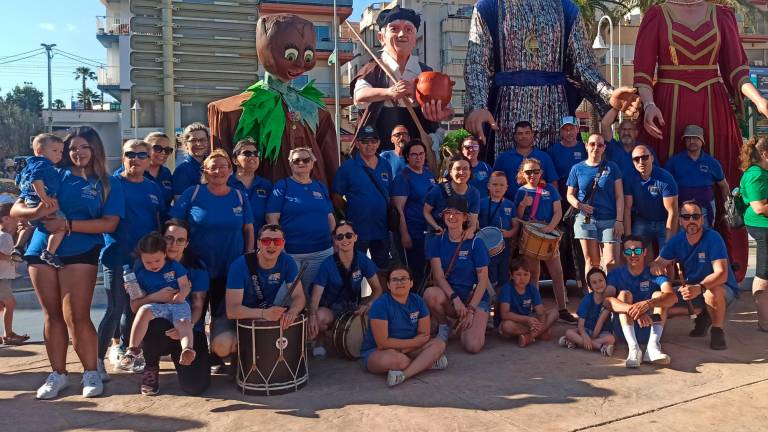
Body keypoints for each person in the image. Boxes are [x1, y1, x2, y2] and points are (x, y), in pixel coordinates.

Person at [634, 2, 765, 284]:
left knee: (723, 182)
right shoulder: (657, 14)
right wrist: (648, 105)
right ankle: (664, 269)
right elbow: (643, 73)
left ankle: (723, 268)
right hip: (668, 107)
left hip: (713, 107)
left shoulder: (722, 14)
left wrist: (760, 100)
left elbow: (737, 71)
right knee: (665, 184)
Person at [12, 126, 124, 399]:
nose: (78, 152)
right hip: (40, 250)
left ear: (95, 149)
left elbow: (109, 223)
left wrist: (69, 224)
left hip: (81, 251)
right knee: (52, 315)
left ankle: (90, 372)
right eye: (72, 148)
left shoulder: (107, 183)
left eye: (84, 146)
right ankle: (58, 374)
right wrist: (35, 211)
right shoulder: (51, 172)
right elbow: (17, 209)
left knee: (76, 315)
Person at [463, 0, 639, 154]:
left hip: (555, 112)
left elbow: (583, 67)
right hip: (505, 117)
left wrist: (608, 93)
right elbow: (477, 63)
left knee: (557, 175)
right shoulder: (489, 7)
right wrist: (478, 105)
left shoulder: (567, 9)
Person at [208, 14, 339, 187]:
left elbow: (330, 159)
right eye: (291, 56)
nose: (300, 64)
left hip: (310, 197)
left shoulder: (315, 111)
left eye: (307, 56)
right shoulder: (232, 110)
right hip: (260, 198)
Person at [98, 140, 166, 377]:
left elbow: (158, 222)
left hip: (143, 262)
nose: (135, 159)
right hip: (116, 257)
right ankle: (97, 361)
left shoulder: (153, 188)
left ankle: (130, 351)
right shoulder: (111, 184)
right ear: (123, 156)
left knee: (136, 308)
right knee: (115, 308)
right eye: (130, 154)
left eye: (141, 155)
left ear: (149, 160)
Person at [351, 6, 452, 154]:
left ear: (415, 38)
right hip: (378, 148)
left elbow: (449, 111)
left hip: (419, 150)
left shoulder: (426, 72)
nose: (402, 34)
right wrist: (390, 92)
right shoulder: (373, 69)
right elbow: (359, 95)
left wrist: (442, 113)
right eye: (394, 29)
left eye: (408, 29)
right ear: (381, 37)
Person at [169, 149, 255, 324]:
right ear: (205, 172)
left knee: (222, 319)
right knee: (194, 316)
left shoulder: (239, 196)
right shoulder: (193, 193)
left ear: (230, 170)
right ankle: (193, 348)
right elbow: (174, 226)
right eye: (213, 167)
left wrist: (248, 258)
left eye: (223, 167)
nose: (218, 171)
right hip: (196, 268)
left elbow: (248, 229)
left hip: (230, 268)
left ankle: (219, 348)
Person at [650, 201, 738, 351]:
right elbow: (656, 264)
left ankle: (717, 331)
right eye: (686, 217)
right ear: (680, 220)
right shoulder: (676, 240)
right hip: (692, 289)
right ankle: (702, 313)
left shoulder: (713, 238)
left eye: (696, 216)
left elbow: (721, 274)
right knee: (661, 302)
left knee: (712, 292)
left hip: (720, 289)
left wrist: (700, 287)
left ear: (702, 220)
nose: (691, 220)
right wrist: (657, 268)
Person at [138, 219, 210, 396]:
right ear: (161, 239)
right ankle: (151, 365)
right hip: (158, 329)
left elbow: (199, 306)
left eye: (180, 240)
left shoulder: (197, 268)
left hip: (188, 328)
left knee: (195, 387)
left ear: (187, 244)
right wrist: (155, 297)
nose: (173, 244)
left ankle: (184, 353)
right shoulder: (146, 265)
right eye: (169, 238)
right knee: (150, 317)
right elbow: (135, 307)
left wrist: (186, 328)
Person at [220, 224, 306, 358]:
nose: (271, 245)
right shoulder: (239, 265)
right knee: (222, 346)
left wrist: (292, 312)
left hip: (264, 313)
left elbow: (299, 296)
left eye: (277, 241)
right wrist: (264, 313)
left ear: (283, 244)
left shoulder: (287, 261)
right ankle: (239, 358)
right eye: (266, 241)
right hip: (237, 317)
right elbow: (232, 311)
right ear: (258, 243)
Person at [422, 197, 491, 354]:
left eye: (457, 213)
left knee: (473, 346)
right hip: (453, 300)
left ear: (465, 217)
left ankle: (475, 321)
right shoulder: (437, 241)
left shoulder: (475, 243)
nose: (452, 216)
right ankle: (444, 325)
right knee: (430, 294)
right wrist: (455, 299)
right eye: (448, 213)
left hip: (474, 299)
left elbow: (483, 281)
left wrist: (471, 309)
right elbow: (438, 277)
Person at [360, 265, 447, 387]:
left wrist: (408, 347)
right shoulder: (380, 305)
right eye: (394, 280)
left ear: (411, 283)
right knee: (398, 361)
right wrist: (413, 344)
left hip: (409, 348)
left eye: (404, 279)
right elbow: (382, 343)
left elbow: (424, 334)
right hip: (379, 351)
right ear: (389, 285)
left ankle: (403, 375)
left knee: (439, 344)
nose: (399, 282)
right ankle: (427, 362)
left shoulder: (418, 301)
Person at [119, 233, 195, 371]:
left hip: (177, 303)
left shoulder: (174, 266)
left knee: (183, 322)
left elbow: (185, 285)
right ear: (141, 259)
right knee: (143, 311)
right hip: (157, 307)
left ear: (165, 254)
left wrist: (181, 296)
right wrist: (133, 289)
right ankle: (133, 349)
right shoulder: (140, 274)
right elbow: (138, 299)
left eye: (157, 260)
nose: (153, 265)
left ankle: (187, 349)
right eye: (148, 262)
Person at [266, 147, 335, 294]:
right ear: (290, 164)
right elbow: (272, 218)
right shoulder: (282, 186)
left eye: (306, 159)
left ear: (312, 163)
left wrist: (335, 243)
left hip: (321, 252)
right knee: (287, 298)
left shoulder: (320, 186)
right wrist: (280, 249)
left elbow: (330, 218)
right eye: (296, 160)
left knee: (314, 297)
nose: (301, 163)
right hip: (291, 253)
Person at [307, 222, 382, 358]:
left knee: (381, 310)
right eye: (340, 237)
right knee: (319, 317)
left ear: (355, 237)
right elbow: (315, 297)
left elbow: (378, 290)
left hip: (354, 306)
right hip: (332, 308)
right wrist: (312, 316)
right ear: (335, 241)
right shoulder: (327, 264)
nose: (345, 240)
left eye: (348, 235)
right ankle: (320, 340)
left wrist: (368, 305)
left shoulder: (362, 260)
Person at [514, 158, 573, 323]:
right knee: (533, 274)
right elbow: (518, 218)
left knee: (558, 273)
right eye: (528, 172)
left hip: (548, 235)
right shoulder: (521, 192)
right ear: (522, 174)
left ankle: (562, 309)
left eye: (536, 171)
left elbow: (558, 212)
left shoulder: (549, 189)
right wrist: (522, 206)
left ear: (541, 173)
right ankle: (535, 308)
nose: (532, 175)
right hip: (531, 234)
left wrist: (550, 228)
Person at [607, 235, 677, 368]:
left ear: (645, 252)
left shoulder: (655, 273)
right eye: (628, 251)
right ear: (624, 254)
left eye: (637, 251)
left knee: (659, 295)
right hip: (624, 329)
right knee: (623, 294)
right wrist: (633, 310)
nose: (633, 254)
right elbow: (607, 301)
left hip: (649, 326)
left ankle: (652, 348)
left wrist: (647, 304)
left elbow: (672, 297)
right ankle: (633, 349)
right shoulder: (615, 274)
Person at [333, 126, 393, 275]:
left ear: (379, 143)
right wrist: (350, 210)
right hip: (357, 230)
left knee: (382, 270)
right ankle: (355, 299)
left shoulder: (385, 165)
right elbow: (336, 197)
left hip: (382, 229)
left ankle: (380, 298)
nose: (370, 145)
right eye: (365, 141)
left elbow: (389, 194)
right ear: (358, 144)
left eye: (373, 141)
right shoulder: (347, 168)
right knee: (354, 270)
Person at [566, 134, 624, 277]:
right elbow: (569, 195)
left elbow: (619, 196)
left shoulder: (612, 167)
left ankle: (610, 295)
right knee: (592, 261)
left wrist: (619, 220)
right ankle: (594, 296)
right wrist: (580, 205)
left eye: (599, 145)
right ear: (586, 146)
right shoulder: (577, 169)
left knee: (611, 261)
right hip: (585, 219)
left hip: (609, 219)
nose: (595, 148)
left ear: (604, 148)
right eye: (592, 144)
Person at [391, 140, 437, 288]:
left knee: (428, 272)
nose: (418, 157)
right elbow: (399, 209)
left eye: (421, 154)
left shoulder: (428, 173)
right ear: (407, 157)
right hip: (413, 232)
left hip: (429, 232)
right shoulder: (403, 177)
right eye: (414, 154)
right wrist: (404, 235)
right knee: (415, 273)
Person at [16, 133, 66, 268]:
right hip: (42, 203)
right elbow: (36, 179)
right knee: (60, 226)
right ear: (39, 151)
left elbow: (18, 182)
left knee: (28, 225)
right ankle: (50, 252)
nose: (59, 155)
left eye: (61, 151)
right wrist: (44, 197)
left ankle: (19, 247)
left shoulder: (27, 166)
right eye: (54, 151)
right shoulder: (43, 165)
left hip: (29, 202)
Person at [665, 125, 728, 228]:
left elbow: (724, 186)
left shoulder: (712, 162)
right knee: (683, 240)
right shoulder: (674, 161)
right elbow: (664, 183)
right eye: (688, 138)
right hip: (681, 210)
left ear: (702, 141)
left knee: (705, 238)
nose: (691, 141)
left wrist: (727, 209)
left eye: (695, 138)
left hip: (705, 210)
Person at [623, 145, 678, 257]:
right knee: (633, 253)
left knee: (667, 257)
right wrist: (628, 239)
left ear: (652, 158)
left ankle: (669, 274)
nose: (641, 161)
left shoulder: (665, 178)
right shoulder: (630, 178)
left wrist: (669, 241)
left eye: (645, 157)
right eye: (636, 159)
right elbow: (627, 209)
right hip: (643, 221)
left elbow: (673, 212)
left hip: (664, 222)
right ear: (633, 162)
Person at [739, 137, 768, 332]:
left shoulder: (760, 172)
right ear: (765, 154)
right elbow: (759, 208)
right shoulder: (756, 174)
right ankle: (764, 321)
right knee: (763, 274)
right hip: (762, 227)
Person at [497, 259, 558, 347]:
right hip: (514, 321)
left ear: (530, 275)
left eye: (526, 274)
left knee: (555, 313)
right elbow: (505, 314)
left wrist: (540, 324)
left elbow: (541, 312)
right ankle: (539, 333)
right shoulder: (507, 288)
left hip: (528, 320)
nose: (522, 278)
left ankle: (529, 336)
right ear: (511, 275)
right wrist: (527, 320)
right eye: (518, 274)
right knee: (507, 326)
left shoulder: (532, 288)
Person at [493, 121, 559, 200]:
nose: (524, 136)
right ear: (515, 136)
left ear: (532, 135)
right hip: (509, 206)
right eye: (520, 133)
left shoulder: (544, 157)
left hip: (539, 207)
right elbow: (494, 182)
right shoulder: (503, 158)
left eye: (527, 133)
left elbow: (553, 183)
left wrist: (555, 205)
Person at [559, 268, 614, 356]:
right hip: (586, 330)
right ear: (590, 286)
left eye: (601, 281)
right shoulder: (587, 300)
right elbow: (580, 325)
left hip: (602, 332)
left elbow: (601, 322)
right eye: (594, 282)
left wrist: (591, 338)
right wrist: (585, 336)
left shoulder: (608, 300)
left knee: (611, 339)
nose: (598, 284)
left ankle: (575, 342)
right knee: (569, 332)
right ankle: (600, 347)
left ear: (606, 281)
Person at [478, 171, 518, 289]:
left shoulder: (510, 205)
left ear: (506, 187)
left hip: (505, 247)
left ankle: (501, 304)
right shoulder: (481, 203)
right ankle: (490, 303)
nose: (498, 188)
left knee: (504, 276)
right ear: (488, 186)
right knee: (490, 277)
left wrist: (509, 233)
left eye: (501, 185)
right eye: (495, 184)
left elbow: (515, 226)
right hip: (486, 248)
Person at [424, 154, 480, 234]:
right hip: (439, 234)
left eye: (465, 169)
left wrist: (469, 232)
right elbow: (426, 211)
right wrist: (436, 226)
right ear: (450, 172)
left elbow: (473, 222)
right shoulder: (438, 190)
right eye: (457, 169)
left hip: (460, 236)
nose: (461, 172)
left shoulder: (474, 193)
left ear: (470, 172)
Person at [116, 132, 175, 206]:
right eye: (157, 148)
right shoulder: (125, 174)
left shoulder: (166, 173)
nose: (163, 152)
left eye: (167, 150)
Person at [228, 138, 273, 229]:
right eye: (247, 153)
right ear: (235, 160)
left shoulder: (266, 185)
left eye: (256, 154)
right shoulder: (226, 183)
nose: (252, 156)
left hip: (259, 241)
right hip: (232, 241)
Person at [0, 202, 28, 345]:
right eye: (14, 216)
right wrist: (12, 257)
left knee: (2, 305)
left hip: (4, 276)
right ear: (5, 219)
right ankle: (8, 334)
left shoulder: (5, 236)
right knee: (10, 304)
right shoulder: (5, 237)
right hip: (2, 277)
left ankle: (6, 333)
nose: (17, 218)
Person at [600, 112, 658, 178]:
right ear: (618, 132)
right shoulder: (612, 147)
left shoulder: (646, 150)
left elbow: (657, 173)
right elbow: (605, 124)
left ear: (636, 133)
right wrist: (619, 105)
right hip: (616, 187)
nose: (626, 132)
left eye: (630, 129)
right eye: (623, 129)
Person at [549, 116, 587, 196]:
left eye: (572, 129)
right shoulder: (553, 150)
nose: (569, 133)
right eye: (565, 130)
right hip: (560, 193)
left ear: (577, 129)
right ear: (561, 132)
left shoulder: (585, 148)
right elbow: (551, 175)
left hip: (581, 193)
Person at [172, 123, 209, 199]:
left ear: (207, 142)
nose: (198, 144)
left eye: (202, 140)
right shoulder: (182, 170)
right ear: (185, 144)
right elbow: (180, 202)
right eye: (193, 140)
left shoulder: (212, 165)